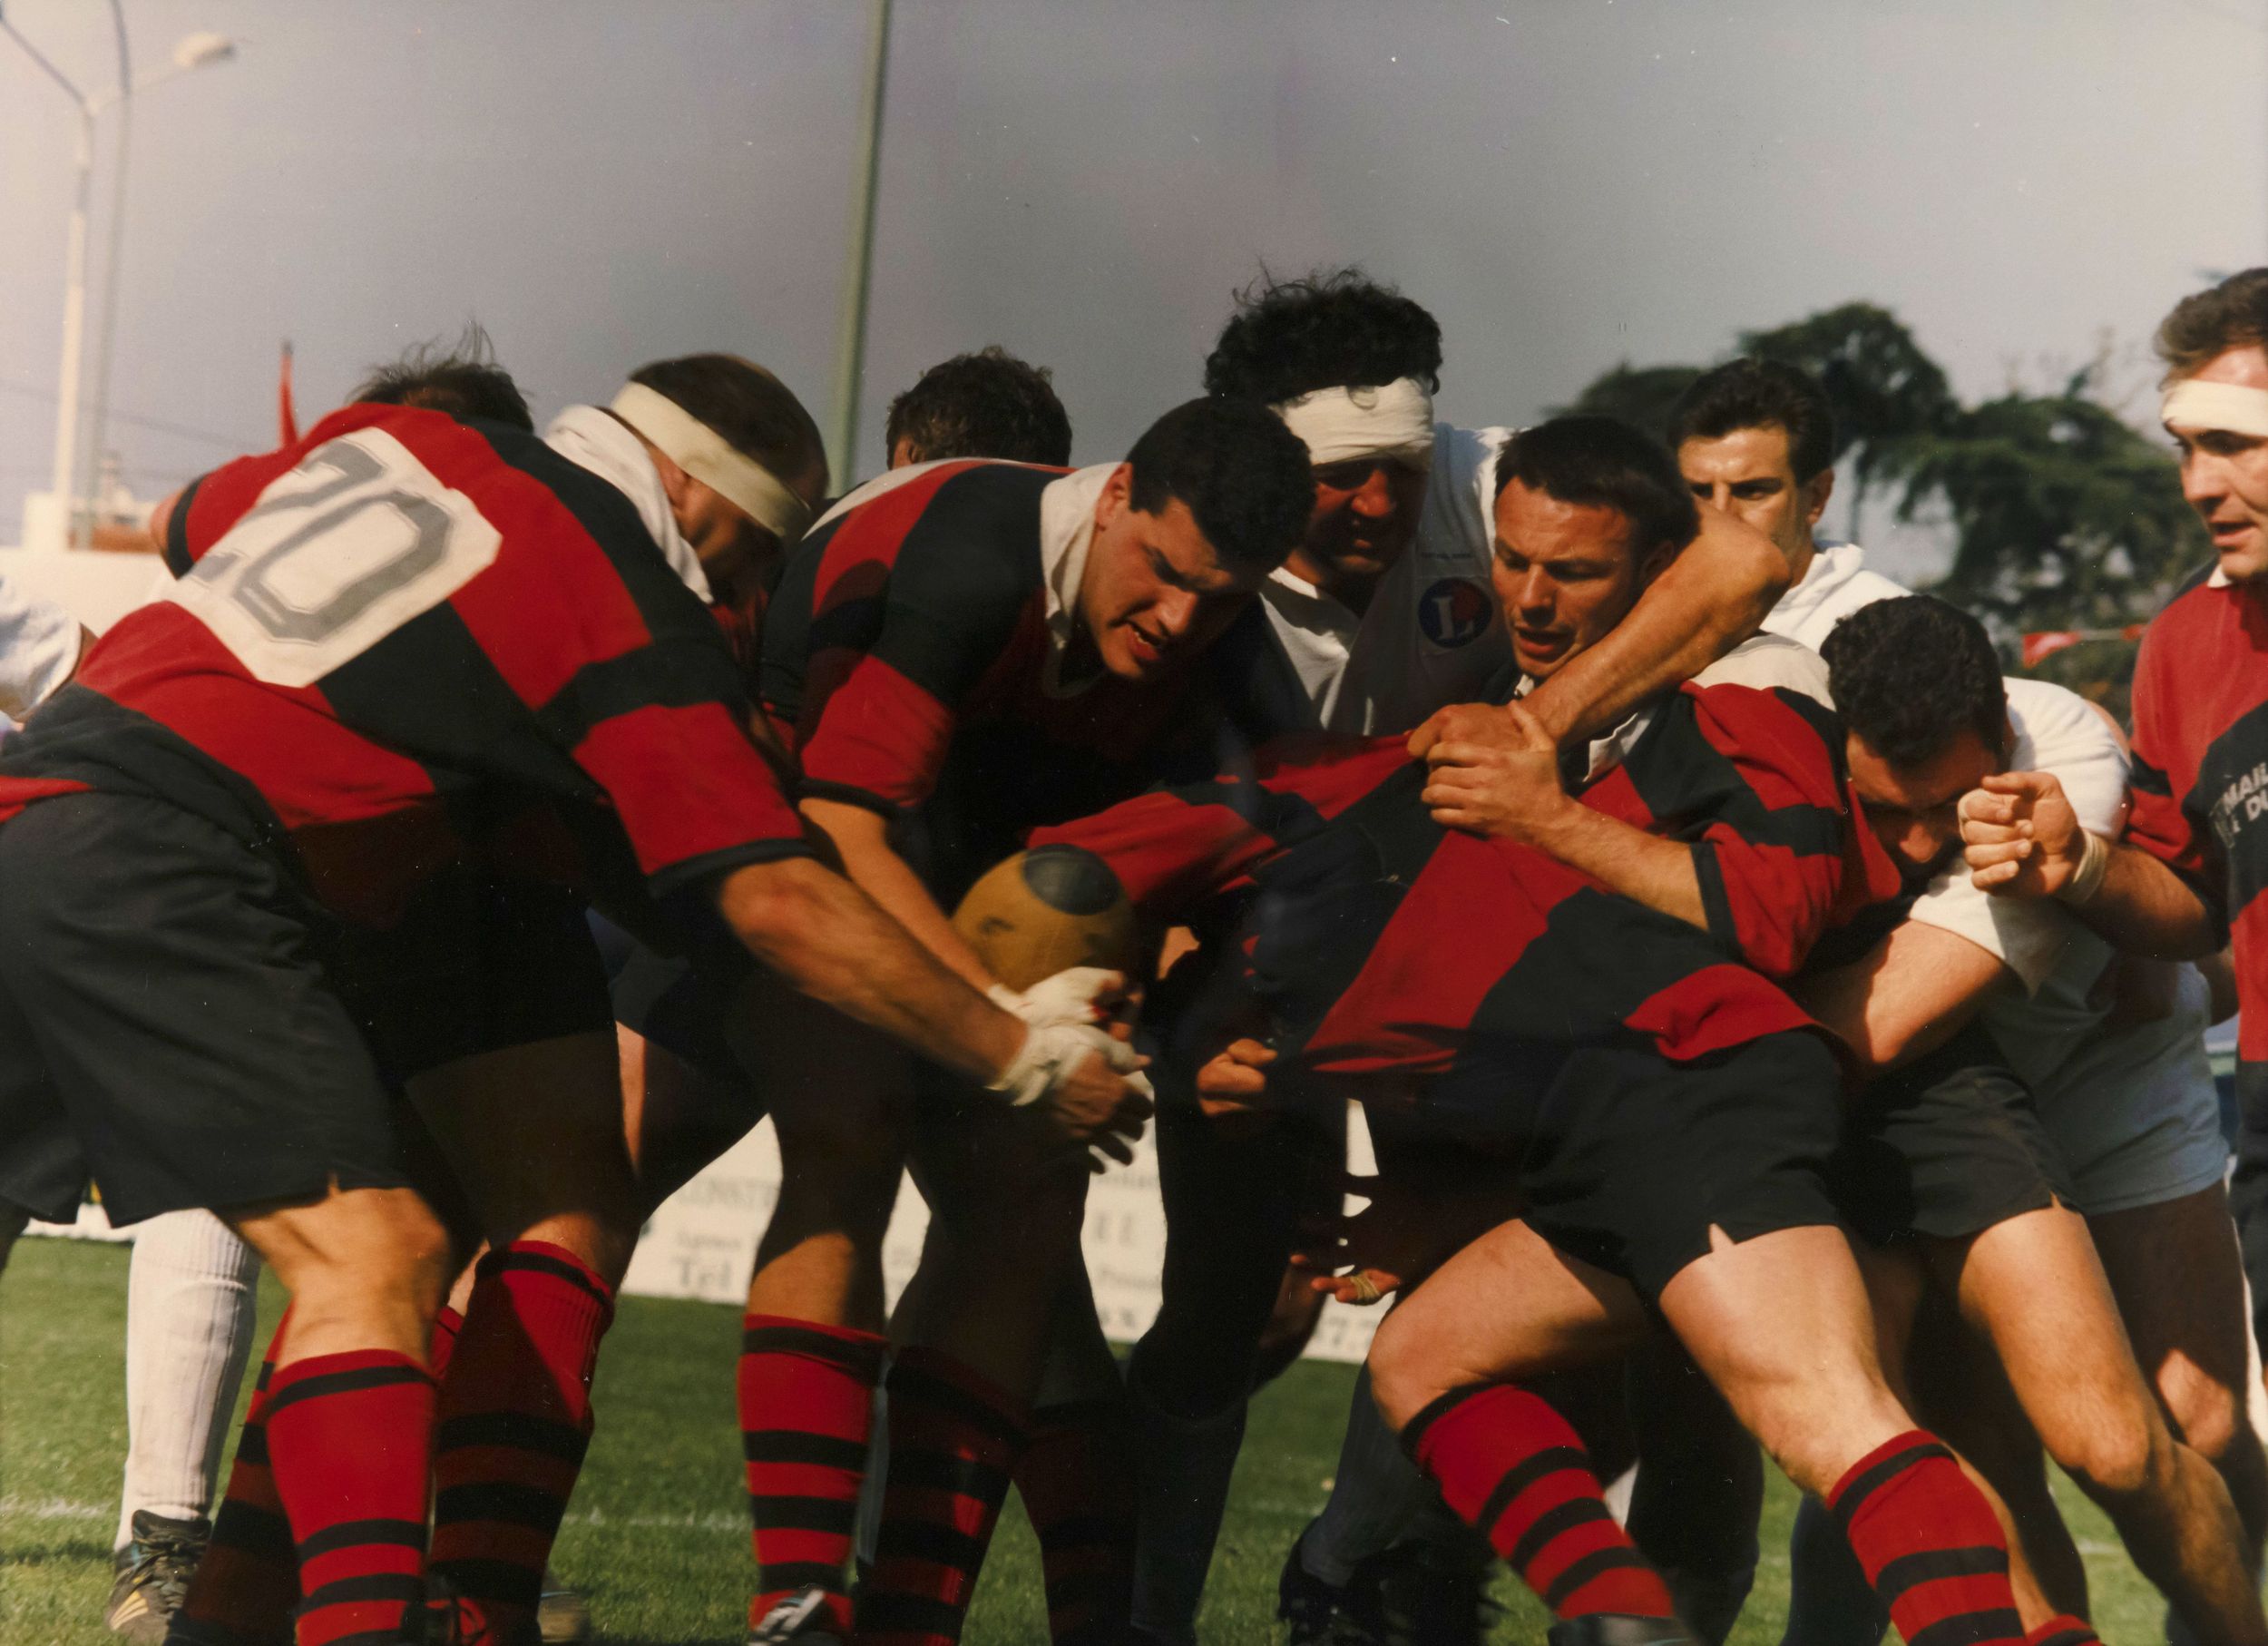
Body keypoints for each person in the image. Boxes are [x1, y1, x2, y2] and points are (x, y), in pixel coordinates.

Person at [0, 354, 1146, 1646]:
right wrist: (1020, 1049)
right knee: (370, 1260)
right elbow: (771, 895)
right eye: (755, 555)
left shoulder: (406, 440)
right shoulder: (617, 578)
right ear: (688, 492)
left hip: (130, 813)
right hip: (179, 852)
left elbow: (183, 518)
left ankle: (311, 1615)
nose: (755, 595)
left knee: (553, 1199)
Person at [1035, 414, 2064, 1646]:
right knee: (1424, 1360)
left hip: (1697, 1087)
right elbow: (1094, 879)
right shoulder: (1427, 754)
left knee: (1833, 1422)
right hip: (1605, 1117)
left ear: (1648, 571)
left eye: (1572, 570)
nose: (1529, 596)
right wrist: (1158, 1023)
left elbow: (1777, 899)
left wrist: (1543, 804)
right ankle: (1618, 1618)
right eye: (1511, 562)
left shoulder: (1749, 685)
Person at [1131, 269, 1793, 1646]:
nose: (1381, 505)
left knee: (1490, 1321)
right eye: (1339, 477)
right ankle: (1138, 1620)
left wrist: (1528, 730)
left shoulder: (1495, 486)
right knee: (1237, 1312)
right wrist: (1190, 1003)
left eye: (1400, 467)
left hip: (1479, 971)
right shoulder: (1185, 544)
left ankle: (1388, 1590)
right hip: (1274, 954)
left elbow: (1737, 560)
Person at [1654, 359, 2266, 1641]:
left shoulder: (2058, 746)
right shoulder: (1800, 748)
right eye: (1896, 811)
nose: (1931, 837)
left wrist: (2095, 879)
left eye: (1953, 803)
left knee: (2189, 1426)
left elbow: (1878, 1020)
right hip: (1963, 1106)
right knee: (1981, 1441)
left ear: (1999, 727)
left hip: (2106, 1089)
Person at [731, 394, 1313, 1646]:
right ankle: (786, 1594)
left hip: (961, 873)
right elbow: (840, 826)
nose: (1179, 622)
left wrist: (1202, 1031)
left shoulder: (1242, 663)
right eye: (1162, 573)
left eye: (1220, 598)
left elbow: (1264, 886)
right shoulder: (967, 557)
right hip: (771, 841)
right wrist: (1016, 1031)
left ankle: (907, 1623)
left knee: (1033, 1214)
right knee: (834, 1133)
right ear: (1113, 497)